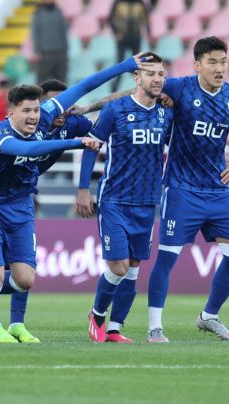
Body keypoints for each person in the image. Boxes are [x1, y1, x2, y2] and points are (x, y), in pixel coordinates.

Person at [0, 54, 155, 344]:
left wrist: (126, 66)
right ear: (11, 113)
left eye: (36, 111)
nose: (33, 116)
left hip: (21, 205)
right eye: (26, 111)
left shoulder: (47, 116)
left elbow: (84, 86)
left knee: (24, 280)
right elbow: (26, 151)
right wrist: (76, 143)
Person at [144, 37, 229, 342]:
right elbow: (136, 93)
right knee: (167, 258)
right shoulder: (180, 87)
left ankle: (209, 316)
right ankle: (155, 326)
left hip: (217, 189)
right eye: (212, 61)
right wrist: (90, 106)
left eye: (223, 61)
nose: (220, 67)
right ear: (197, 65)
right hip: (181, 188)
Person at [0, 78, 96, 344]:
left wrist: (83, 186)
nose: (60, 112)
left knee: (24, 274)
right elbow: (30, 149)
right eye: (51, 105)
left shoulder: (71, 123)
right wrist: (76, 142)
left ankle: (16, 322)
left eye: (64, 106)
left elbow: (95, 134)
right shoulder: (18, 129)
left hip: (22, 196)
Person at [74, 52, 172, 343]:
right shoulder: (116, 110)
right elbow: (92, 146)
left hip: (147, 201)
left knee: (132, 269)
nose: (157, 78)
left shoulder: (167, 114)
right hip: (114, 199)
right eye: (151, 73)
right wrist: (82, 189)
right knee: (117, 266)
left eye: (161, 74)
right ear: (136, 78)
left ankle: (115, 328)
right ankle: (97, 314)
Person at [108, 0, 149, 92]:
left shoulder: (140, 3)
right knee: (119, 65)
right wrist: (116, 32)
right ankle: (113, 91)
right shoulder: (118, 3)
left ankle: (140, 90)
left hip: (136, 38)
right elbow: (110, 19)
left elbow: (146, 19)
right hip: (122, 38)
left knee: (137, 65)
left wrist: (149, 33)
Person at [31, 0, 68, 84]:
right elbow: (35, 33)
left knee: (61, 82)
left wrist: (65, 50)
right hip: (44, 54)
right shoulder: (38, 14)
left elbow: (63, 32)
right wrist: (37, 51)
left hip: (60, 53)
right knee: (41, 82)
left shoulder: (59, 12)